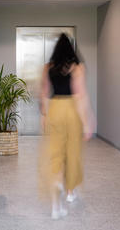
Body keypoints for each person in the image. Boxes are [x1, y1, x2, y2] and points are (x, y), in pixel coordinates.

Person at [39, 33, 95, 219]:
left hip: (55, 109)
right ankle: (70, 192)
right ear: (72, 49)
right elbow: (80, 96)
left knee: (56, 154)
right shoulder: (77, 67)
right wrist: (87, 121)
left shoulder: (48, 67)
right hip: (71, 110)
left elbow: (44, 93)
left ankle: (56, 195)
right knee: (73, 153)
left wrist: (44, 116)